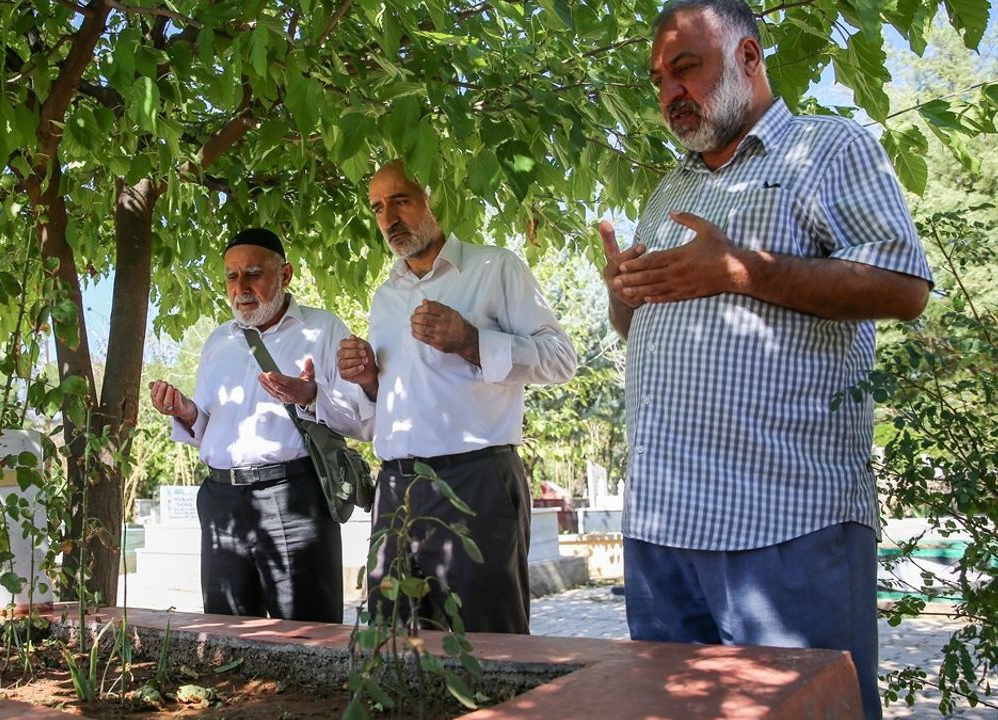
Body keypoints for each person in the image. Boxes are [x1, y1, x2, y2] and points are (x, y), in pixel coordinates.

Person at [599, 2, 933, 717]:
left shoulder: (831, 148)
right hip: (661, 528)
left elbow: (905, 287)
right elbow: (641, 331)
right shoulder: (668, 190)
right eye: (658, 79)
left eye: (685, 67)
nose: (668, 94)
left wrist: (744, 270)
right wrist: (623, 295)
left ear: (748, 58)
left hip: (785, 522)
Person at [338, 161, 577, 634]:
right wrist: (368, 380)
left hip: (477, 482)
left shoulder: (495, 269)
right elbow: (396, 400)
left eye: (401, 200)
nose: (389, 218)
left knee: (491, 647)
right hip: (395, 489)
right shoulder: (385, 296)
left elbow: (561, 360)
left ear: (434, 197)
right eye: (378, 208)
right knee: (394, 646)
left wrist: (472, 340)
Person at [148, 228, 373, 623]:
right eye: (232, 277)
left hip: (295, 499)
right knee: (226, 634)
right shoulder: (218, 342)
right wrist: (185, 412)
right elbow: (208, 430)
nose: (242, 287)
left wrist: (310, 395)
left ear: (285, 275)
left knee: (308, 639)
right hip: (222, 503)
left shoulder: (324, 330)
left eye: (253, 273)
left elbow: (363, 422)